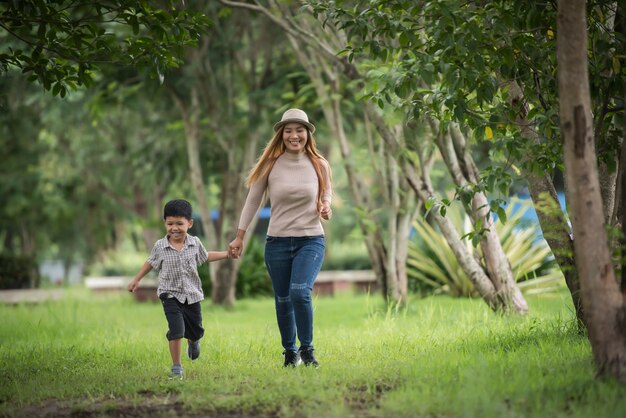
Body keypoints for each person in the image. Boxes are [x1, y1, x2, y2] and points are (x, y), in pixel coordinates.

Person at [229, 108, 333, 368]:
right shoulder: (271, 165)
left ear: (308, 134)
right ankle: (290, 352)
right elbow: (252, 201)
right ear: (281, 134)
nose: (294, 135)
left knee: (300, 292)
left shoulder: (320, 164)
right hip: (277, 243)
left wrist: (325, 205)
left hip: (311, 240)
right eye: (289, 130)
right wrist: (239, 237)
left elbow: (327, 192)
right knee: (283, 298)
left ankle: (308, 351)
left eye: (299, 130)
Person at [128, 199, 230, 380]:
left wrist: (227, 254)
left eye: (179, 223)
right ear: (165, 223)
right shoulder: (160, 246)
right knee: (176, 330)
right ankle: (177, 367)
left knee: (196, 330)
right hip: (169, 294)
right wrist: (137, 279)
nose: (174, 228)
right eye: (170, 223)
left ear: (189, 224)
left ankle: (194, 341)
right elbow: (150, 262)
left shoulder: (195, 243)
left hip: (192, 295)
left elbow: (206, 257)